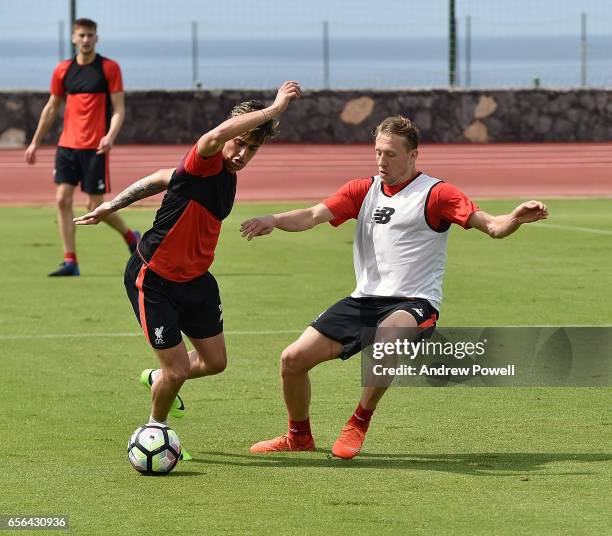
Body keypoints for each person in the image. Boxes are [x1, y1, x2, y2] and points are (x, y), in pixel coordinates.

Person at [240, 115, 549, 459]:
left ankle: (359, 420)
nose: (382, 161)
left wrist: (516, 218)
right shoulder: (363, 190)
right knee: (292, 360)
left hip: (416, 303)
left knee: (389, 334)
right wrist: (273, 220)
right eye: (378, 153)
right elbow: (312, 215)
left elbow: (492, 226)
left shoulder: (437, 193)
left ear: (414, 155)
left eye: (391, 154)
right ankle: (298, 436)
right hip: (364, 300)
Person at [73, 81, 302, 429]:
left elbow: (161, 177)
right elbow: (217, 135)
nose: (242, 153)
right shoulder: (205, 160)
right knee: (177, 369)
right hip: (155, 278)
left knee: (215, 362)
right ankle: (154, 430)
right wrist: (275, 109)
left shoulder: (226, 176)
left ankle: (157, 380)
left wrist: (112, 204)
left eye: (252, 148)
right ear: (228, 135)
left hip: (196, 280)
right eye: (240, 142)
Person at [25, 18, 140, 276]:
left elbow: (119, 109)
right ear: (73, 39)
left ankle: (131, 237)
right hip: (66, 147)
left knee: (93, 206)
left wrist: (110, 136)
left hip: (95, 148)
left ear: (96, 38)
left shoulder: (109, 69)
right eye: (81, 35)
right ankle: (70, 261)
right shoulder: (63, 70)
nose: (86, 39)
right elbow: (52, 107)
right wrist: (35, 142)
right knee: (62, 200)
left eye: (90, 35)